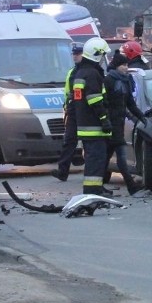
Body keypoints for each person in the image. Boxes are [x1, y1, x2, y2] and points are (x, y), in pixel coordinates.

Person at [73, 37, 112, 195]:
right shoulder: (92, 74)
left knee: (92, 159)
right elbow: (94, 100)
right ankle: (93, 190)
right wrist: (104, 119)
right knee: (96, 159)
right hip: (94, 126)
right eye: (103, 56)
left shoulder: (80, 73)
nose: (104, 59)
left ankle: (94, 188)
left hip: (84, 125)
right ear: (97, 55)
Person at [102, 52, 145, 194]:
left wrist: (142, 118)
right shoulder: (108, 81)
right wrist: (105, 120)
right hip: (109, 124)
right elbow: (102, 103)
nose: (126, 68)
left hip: (119, 124)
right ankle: (131, 186)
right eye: (123, 65)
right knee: (120, 155)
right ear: (116, 66)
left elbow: (130, 104)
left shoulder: (126, 81)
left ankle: (98, 183)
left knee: (107, 156)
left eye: (127, 65)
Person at [51, 43, 84, 181]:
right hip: (72, 112)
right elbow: (67, 93)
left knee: (90, 143)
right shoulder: (72, 72)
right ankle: (62, 172)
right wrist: (66, 107)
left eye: (78, 54)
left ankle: (96, 172)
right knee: (68, 142)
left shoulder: (87, 71)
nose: (75, 56)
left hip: (85, 112)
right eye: (74, 54)